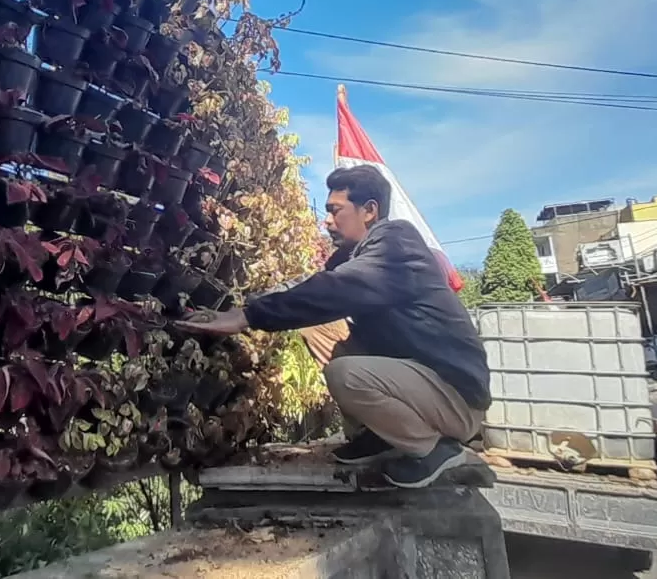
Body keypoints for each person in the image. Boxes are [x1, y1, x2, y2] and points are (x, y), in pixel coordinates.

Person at [177, 165, 490, 488]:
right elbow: (307, 286)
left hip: (456, 396)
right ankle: (380, 435)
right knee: (328, 336)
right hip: (425, 383)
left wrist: (247, 318)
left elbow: (333, 290)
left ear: (369, 210)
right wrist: (240, 310)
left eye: (335, 210)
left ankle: (433, 448)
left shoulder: (397, 244)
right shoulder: (352, 257)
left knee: (344, 374)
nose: (326, 221)